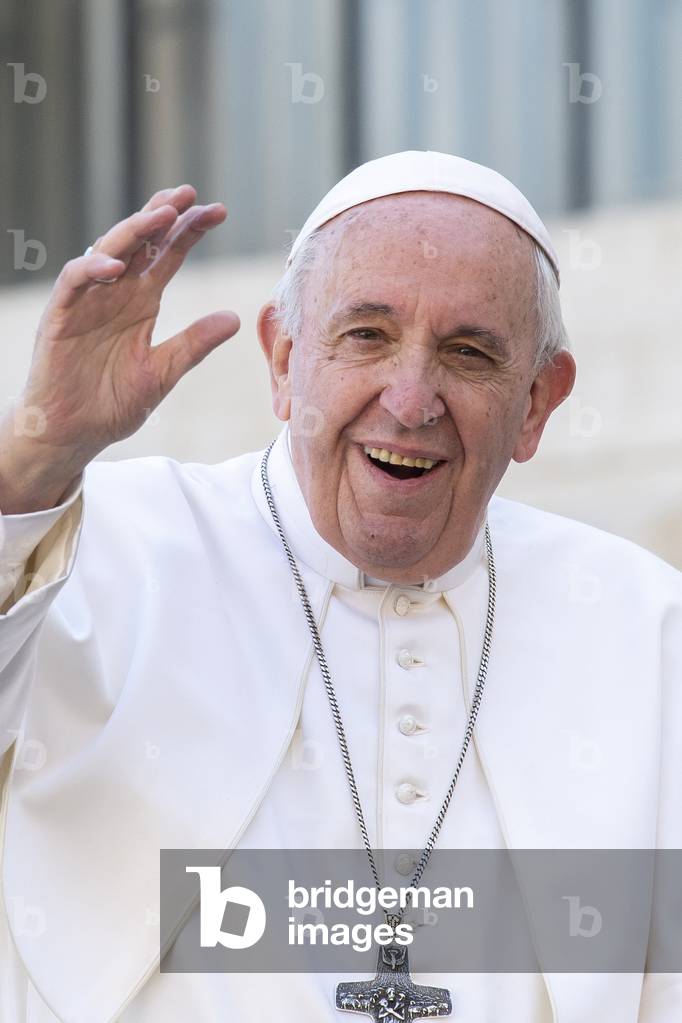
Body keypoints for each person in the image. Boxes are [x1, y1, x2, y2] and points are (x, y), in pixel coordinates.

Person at [0, 151, 679, 1023]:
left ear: (540, 403)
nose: (410, 398)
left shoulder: (644, 628)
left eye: (469, 353)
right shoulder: (91, 549)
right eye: (367, 335)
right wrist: (32, 462)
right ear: (283, 358)